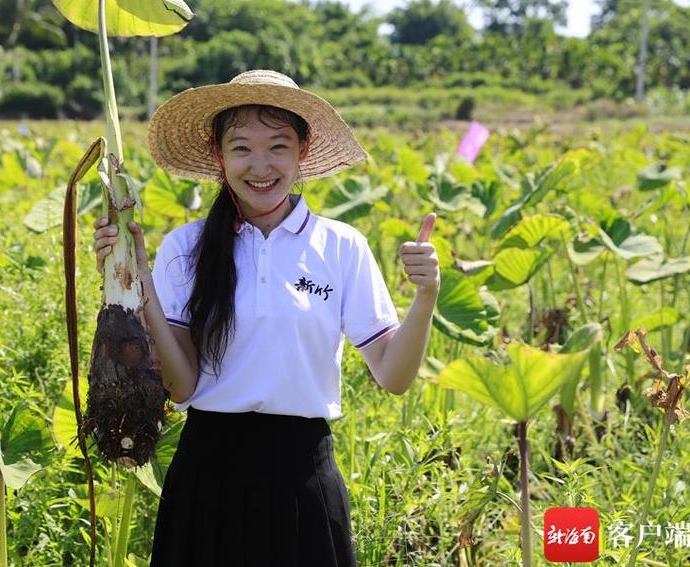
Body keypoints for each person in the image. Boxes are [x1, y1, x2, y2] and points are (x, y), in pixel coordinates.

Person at [92, 70, 440, 567]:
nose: (261, 166)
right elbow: (182, 387)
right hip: (206, 479)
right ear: (219, 156)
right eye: (241, 148)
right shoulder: (184, 248)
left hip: (303, 480)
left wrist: (426, 295)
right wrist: (137, 279)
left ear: (303, 152)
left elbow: (394, 374)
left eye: (278, 146)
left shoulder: (340, 247)